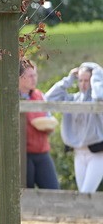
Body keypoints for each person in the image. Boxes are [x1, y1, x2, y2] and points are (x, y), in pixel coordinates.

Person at [46, 61, 103, 192]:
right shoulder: (72, 100)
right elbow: (48, 98)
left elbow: (99, 95)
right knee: (82, 195)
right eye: (81, 80)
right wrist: (69, 79)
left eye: (87, 80)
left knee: (86, 193)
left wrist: (97, 75)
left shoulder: (97, 100)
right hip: (78, 152)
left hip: (97, 153)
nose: (83, 84)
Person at [18, 61, 58, 190]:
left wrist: (49, 127)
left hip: (42, 151)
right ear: (19, 77)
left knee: (54, 191)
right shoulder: (10, 97)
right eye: (30, 76)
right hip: (22, 154)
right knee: (25, 194)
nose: (34, 79)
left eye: (35, 75)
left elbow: (49, 117)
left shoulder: (39, 95)